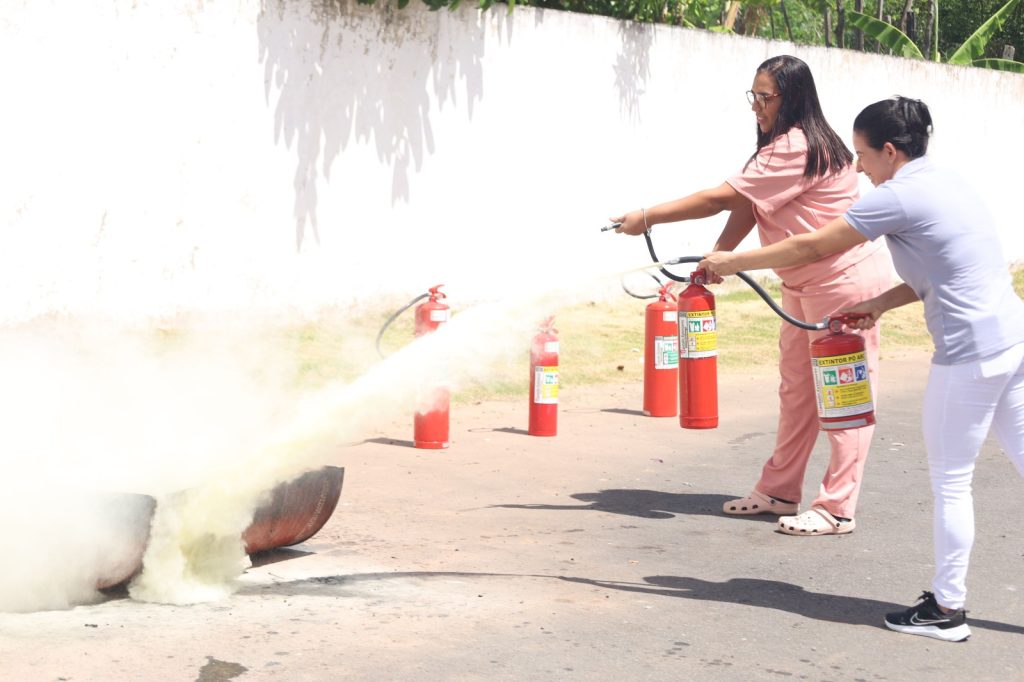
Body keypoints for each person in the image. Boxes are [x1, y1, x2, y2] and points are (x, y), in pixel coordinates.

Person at [700, 96, 1024, 642]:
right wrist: (877, 304)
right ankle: (947, 605)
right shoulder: (946, 181)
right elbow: (943, 271)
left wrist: (729, 261)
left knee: (951, 482)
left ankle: (947, 610)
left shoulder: (896, 196)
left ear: (891, 151)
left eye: (863, 155)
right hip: (1012, 340)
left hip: (968, 355)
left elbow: (810, 244)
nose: (858, 167)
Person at [611, 55, 892, 536]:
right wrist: (716, 255)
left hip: (842, 286)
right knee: (797, 392)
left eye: (766, 97)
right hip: (802, 286)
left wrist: (647, 215)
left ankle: (837, 507)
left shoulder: (799, 146)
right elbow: (749, 203)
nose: (757, 106)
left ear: (792, 98)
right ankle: (780, 490)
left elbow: (721, 198)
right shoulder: (783, 145)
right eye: (754, 96)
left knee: (842, 398)